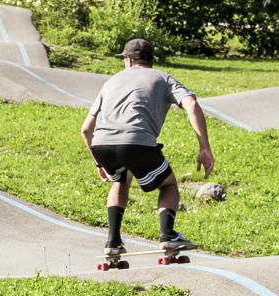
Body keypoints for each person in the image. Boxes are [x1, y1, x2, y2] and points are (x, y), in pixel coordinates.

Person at [80, 36, 213, 259]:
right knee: (169, 184)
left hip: (102, 144)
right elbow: (192, 104)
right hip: (136, 143)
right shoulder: (163, 78)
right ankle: (167, 235)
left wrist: (97, 162)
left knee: (120, 180)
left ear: (129, 61)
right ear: (149, 60)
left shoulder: (111, 81)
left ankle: (113, 243)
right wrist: (204, 147)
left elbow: (86, 129)